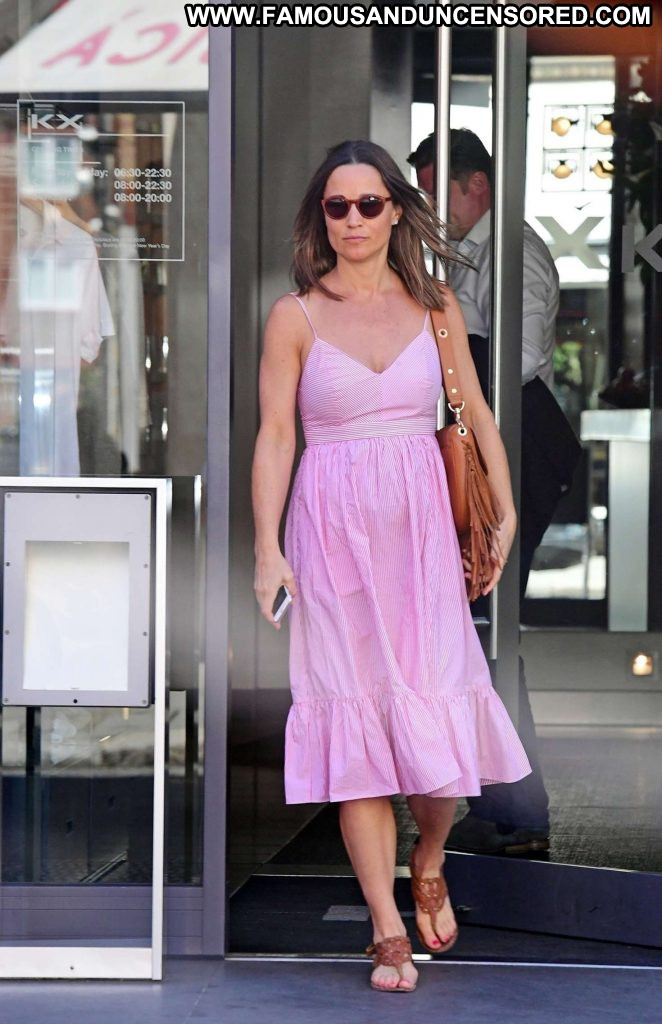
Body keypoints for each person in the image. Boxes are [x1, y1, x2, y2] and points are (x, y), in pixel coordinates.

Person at [251, 139, 532, 993]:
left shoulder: (435, 305)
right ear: (321, 217)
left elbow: (476, 414)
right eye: (337, 206)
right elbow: (276, 436)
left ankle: (430, 854)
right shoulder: (294, 316)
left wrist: (505, 511)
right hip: (331, 540)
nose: (353, 220)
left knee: (437, 719)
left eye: (369, 204)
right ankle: (384, 926)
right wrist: (266, 546)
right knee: (359, 733)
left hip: (422, 542)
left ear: (397, 211)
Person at [407, 129, 580, 856]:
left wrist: (450, 355)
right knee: (478, 624)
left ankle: (519, 808)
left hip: (517, 446)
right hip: (496, 445)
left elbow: (524, 355)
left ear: (475, 185)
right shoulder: (472, 253)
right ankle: (502, 801)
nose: (427, 206)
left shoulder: (512, 252)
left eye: (434, 190)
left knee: (489, 624)